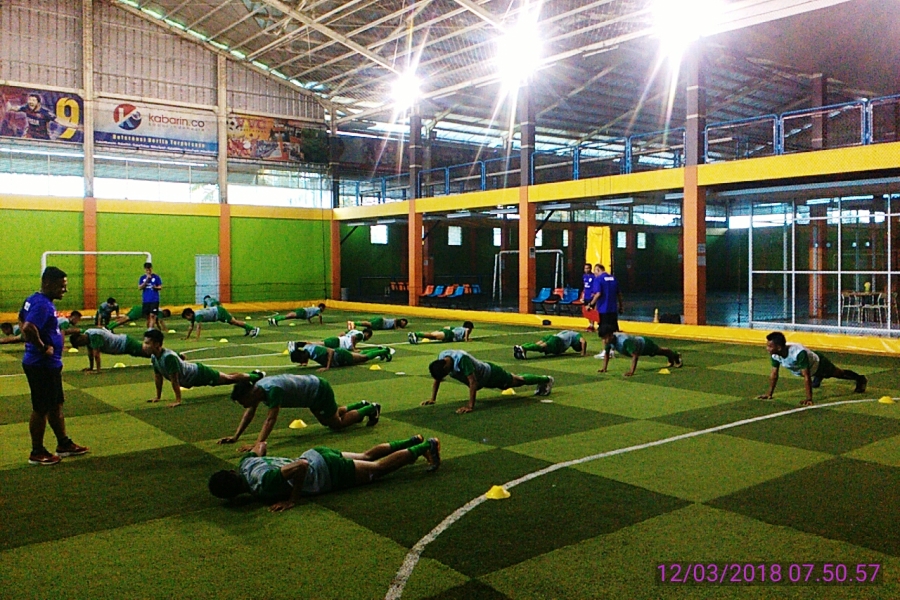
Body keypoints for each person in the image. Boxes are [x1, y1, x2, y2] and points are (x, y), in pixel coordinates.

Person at [208, 434, 440, 512]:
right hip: (317, 453)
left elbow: (301, 466)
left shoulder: (263, 484)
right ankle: (411, 441)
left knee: (378, 469)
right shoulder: (245, 463)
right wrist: (258, 450)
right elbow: (262, 445)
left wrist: (292, 499)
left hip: (325, 470)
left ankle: (425, 446)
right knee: (367, 456)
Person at [19, 266, 88, 466]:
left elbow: (21, 318)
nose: (64, 290)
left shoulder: (34, 299)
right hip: (40, 364)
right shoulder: (43, 305)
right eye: (61, 286)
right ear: (48, 283)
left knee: (55, 404)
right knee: (41, 408)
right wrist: (42, 347)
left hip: (47, 364)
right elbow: (28, 327)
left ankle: (63, 443)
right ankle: (37, 451)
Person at [218, 374, 381, 451]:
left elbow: (270, 419)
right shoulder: (258, 390)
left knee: (336, 423)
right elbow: (249, 413)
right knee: (330, 416)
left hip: (318, 391)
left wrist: (258, 444)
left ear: (250, 394)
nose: (243, 405)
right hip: (312, 392)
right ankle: (361, 404)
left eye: (242, 401)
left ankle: (371, 408)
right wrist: (235, 436)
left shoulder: (272, 390)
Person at [142, 329, 264, 408]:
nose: (144, 346)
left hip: (199, 374)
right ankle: (251, 375)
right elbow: (158, 376)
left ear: (157, 344)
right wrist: (158, 397)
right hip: (192, 377)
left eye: (147, 343)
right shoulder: (154, 357)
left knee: (228, 379)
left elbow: (175, 380)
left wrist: (178, 400)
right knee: (226, 377)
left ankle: (256, 376)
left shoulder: (168, 358)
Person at [425, 349, 554, 414]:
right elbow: (437, 380)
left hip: (491, 375)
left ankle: (546, 379)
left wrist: (470, 406)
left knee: (517, 381)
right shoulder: (442, 358)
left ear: (445, 367)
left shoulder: (462, 360)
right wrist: (432, 399)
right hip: (484, 378)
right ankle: (543, 380)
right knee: (514, 379)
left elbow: (473, 383)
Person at [757, 331, 867, 406]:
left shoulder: (799, 353)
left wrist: (809, 399)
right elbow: (774, 374)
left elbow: (806, 376)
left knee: (839, 373)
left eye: (770, 346)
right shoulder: (775, 355)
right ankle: (819, 376)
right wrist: (769, 394)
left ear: (779, 347)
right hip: (810, 368)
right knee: (815, 380)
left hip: (819, 364)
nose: (767, 349)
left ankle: (860, 379)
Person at [597, 325, 682, 377]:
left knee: (659, 351)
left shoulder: (624, 341)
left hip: (645, 345)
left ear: (611, 335)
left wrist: (631, 371)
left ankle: (676, 355)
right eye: (602, 338)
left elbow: (635, 355)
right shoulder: (609, 342)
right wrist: (604, 368)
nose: (604, 341)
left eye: (605, 338)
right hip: (639, 346)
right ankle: (671, 357)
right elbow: (607, 354)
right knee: (660, 352)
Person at [69, 328, 148, 373]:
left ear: (80, 338)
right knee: (144, 353)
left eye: (79, 344)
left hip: (125, 343)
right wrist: (91, 368)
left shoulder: (94, 336)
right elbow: (90, 354)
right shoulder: (87, 336)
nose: (81, 345)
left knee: (146, 352)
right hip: (123, 345)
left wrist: (98, 370)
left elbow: (96, 355)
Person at [287, 342, 393, 371]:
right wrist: (304, 363)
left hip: (340, 356)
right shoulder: (307, 350)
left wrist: (327, 367)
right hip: (340, 355)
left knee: (363, 358)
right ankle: (379, 350)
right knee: (361, 355)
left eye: (299, 360)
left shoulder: (315, 351)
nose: (301, 362)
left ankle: (384, 351)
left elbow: (330, 351)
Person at [182, 305, 260, 339]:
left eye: (186, 317)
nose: (187, 319)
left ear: (190, 314)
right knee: (233, 322)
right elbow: (191, 327)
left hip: (219, 312)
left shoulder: (198, 316)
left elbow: (198, 327)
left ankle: (253, 328)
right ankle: (247, 328)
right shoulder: (194, 316)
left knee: (233, 321)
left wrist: (197, 338)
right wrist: (187, 337)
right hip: (217, 313)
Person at [514, 330, 586, 360]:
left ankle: (522, 347)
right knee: (541, 347)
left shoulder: (570, 333)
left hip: (552, 336)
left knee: (536, 344)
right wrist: (583, 353)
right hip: (556, 341)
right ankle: (524, 347)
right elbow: (583, 341)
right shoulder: (577, 336)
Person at [139, 262, 163, 329]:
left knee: (152, 315)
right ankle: (149, 330)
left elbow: (160, 287)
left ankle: (151, 330)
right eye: (147, 270)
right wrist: (146, 280)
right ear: (145, 269)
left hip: (154, 299)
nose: (148, 271)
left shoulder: (156, 277)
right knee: (148, 317)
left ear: (151, 269)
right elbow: (140, 287)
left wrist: (156, 287)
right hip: (146, 300)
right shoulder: (142, 278)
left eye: (149, 269)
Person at [408, 322, 474, 344]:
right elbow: (467, 330)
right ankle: (416, 334)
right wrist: (467, 339)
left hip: (447, 332)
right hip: (449, 334)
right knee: (432, 335)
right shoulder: (465, 329)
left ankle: (416, 335)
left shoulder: (458, 328)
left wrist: (441, 330)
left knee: (432, 336)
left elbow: (447, 327)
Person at [581, 263, 597, 332]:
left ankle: (592, 325)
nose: (586, 270)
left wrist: (593, 293)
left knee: (591, 310)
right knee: (587, 311)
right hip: (586, 295)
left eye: (588, 268)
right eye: (585, 268)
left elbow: (595, 286)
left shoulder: (593, 276)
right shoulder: (584, 276)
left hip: (591, 295)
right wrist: (583, 295)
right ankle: (590, 324)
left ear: (590, 269)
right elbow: (584, 286)